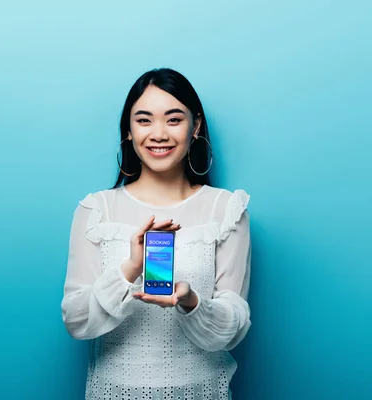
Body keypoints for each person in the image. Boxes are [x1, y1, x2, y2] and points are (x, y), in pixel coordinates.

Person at [60, 68, 251, 400]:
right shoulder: (96, 210)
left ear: (196, 127)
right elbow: (76, 322)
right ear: (129, 132)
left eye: (174, 119)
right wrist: (129, 269)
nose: (158, 134)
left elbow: (232, 328)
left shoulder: (227, 210)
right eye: (144, 120)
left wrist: (191, 302)